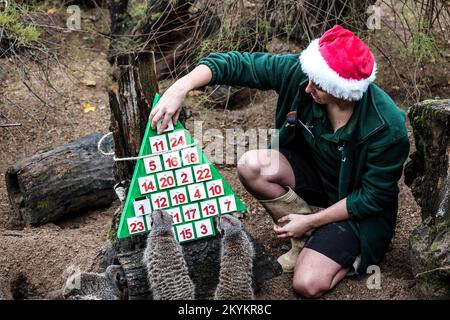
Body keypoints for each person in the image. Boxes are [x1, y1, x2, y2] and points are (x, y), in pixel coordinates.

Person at [149, 25, 410, 298]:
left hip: (357, 209)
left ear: (343, 90)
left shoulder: (387, 126)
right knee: (252, 165)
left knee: (307, 284)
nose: (308, 87)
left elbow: (372, 197)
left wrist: (313, 222)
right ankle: (304, 239)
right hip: (317, 177)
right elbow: (238, 64)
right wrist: (181, 87)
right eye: (310, 78)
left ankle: (330, 240)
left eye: (318, 85)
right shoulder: (304, 76)